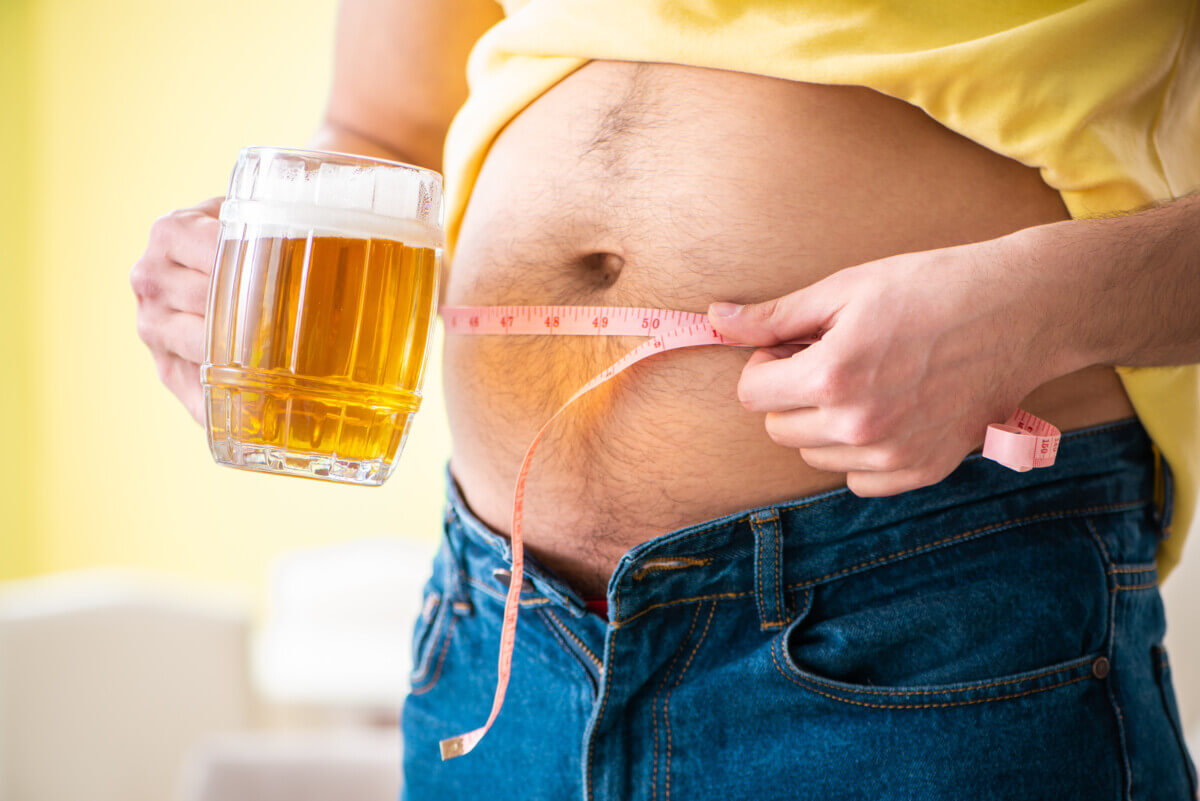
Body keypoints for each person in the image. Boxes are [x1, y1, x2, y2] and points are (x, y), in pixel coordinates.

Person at [131, 1, 1200, 798]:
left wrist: (1043, 306)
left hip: (925, 610)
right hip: (504, 630)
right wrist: (245, 277)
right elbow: (381, 127)